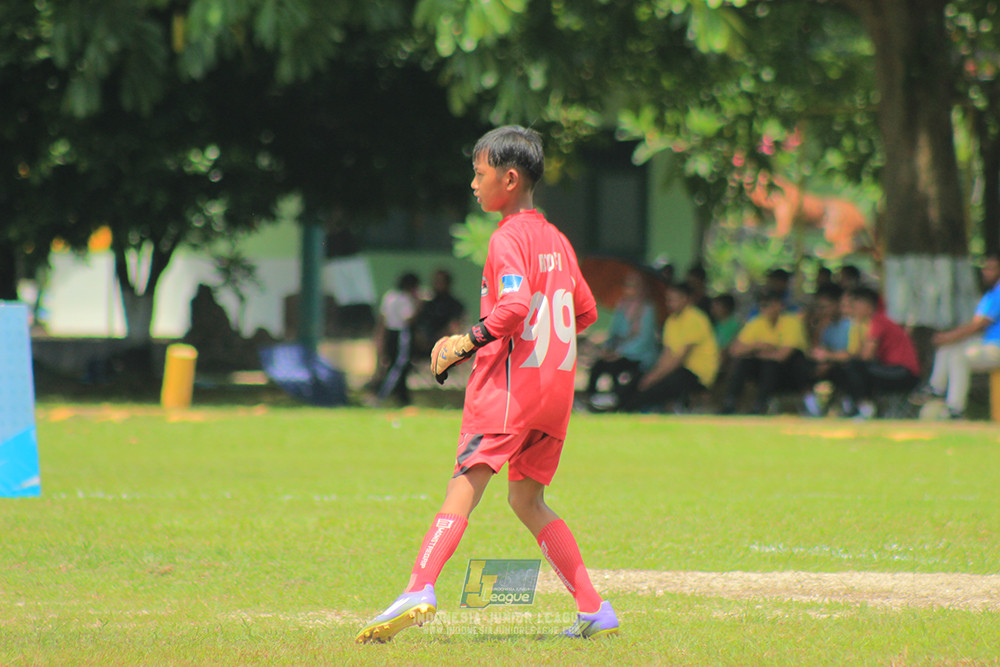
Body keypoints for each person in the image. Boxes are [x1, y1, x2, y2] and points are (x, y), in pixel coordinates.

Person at [355, 125, 617, 644]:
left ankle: (419, 587)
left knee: (464, 485)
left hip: (509, 392)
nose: (473, 184)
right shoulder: (558, 241)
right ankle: (593, 607)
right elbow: (583, 311)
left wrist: (464, 342)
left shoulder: (507, 238)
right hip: (555, 395)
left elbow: (516, 307)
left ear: (510, 177)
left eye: (480, 174)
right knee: (526, 500)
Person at [911, 253, 1000, 418]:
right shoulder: (991, 293)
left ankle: (955, 409)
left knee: (959, 357)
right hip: (988, 343)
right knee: (949, 348)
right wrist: (949, 340)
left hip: (996, 347)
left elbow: (977, 325)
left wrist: (949, 336)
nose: (986, 272)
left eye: (992, 269)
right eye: (985, 268)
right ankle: (936, 388)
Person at [622, 282, 719, 412]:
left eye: (673, 300)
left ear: (685, 299)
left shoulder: (695, 319)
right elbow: (667, 354)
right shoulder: (671, 321)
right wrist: (653, 373)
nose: (669, 303)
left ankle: (632, 411)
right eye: (668, 300)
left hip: (697, 373)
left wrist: (655, 377)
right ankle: (619, 408)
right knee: (638, 378)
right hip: (678, 369)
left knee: (657, 387)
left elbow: (680, 358)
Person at [833, 287, 920, 419]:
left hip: (903, 372)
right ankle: (855, 406)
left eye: (855, 306)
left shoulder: (878, 321)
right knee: (848, 369)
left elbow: (866, 356)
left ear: (867, 305)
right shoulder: (865, 324)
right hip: (892, 370)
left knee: (854, 367)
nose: (853, 310)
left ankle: (864, 407)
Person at [719, 290, 811, 415]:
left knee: (770, 365)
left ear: (779, 305)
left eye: (768, 305)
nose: (764, 309)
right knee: (744, 363)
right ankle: (730, 402)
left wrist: (762, 354)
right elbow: (735, 350)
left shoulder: (792, 322)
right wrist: (757, 346)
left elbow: (782, 356)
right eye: (762, 305)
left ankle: (760, 404)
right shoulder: (757, 322)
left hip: (790, 373)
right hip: (764, 371)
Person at [585, 269, 660, 410]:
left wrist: (620, 352)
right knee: (598, 366)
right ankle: (591, 400)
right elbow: (614, 331)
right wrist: (608, 348)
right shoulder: (622, 305)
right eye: (627, 285)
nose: (629, 289)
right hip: (619, 351)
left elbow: (644, 340)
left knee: (617, 369)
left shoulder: (647, 309)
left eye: (633, 285)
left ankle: (615, 402)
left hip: (639, 355)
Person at [802, 283, 852, 416]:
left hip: (845, 366)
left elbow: (851, 354)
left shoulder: (849, 325)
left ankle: (849, 405)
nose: (821, 311)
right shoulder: (827, 327)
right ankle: (811, 405)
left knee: (846, 370)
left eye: (824, 307)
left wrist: (829, 361)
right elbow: (818, 349)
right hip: (830, 364)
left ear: (837, 304)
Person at [374, 272, 421, 405]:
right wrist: (418, 305)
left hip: (389, 333)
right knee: (400, 365)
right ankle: (382, 395)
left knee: (392, 364)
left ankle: (401, 396)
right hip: (401, 333)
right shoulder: (405, 299)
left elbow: (382, 319)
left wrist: (380, 338)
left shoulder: (389, 296)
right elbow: (408, 319)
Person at [411, 269, 466, 357]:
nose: (437, 284)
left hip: (444, 349)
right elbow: (419, 323)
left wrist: (436, 340)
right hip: (422, 349)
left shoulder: (455, 305)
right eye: (435, 281)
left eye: (440, 281)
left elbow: (454, 327)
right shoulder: (428, 304)